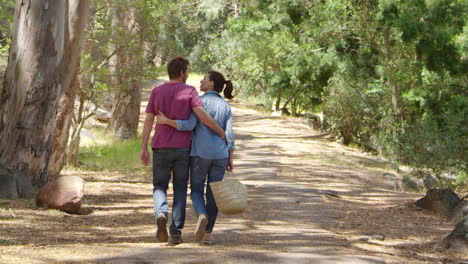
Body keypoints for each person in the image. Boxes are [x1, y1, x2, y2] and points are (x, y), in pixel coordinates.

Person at [141, 57, 226, 245]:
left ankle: (161, 213)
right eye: (187, 71)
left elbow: (148, 120)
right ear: (181, 73)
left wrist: (143, 147)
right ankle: (176, 232)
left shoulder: (156, 91)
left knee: (159, 186)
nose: (188, 75)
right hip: (183, 148)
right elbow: (202, 115)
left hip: (160, 146)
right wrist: (219, 130)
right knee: (180, 189)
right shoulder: (189, 91)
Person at [156, 70, 235, 244]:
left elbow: (189, 124)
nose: (201, 80)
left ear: (211, 84)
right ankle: (207, 233)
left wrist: (167, 121)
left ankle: (201, 214)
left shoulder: (199, 102)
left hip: (200, 154)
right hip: (220, 155)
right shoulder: (225, 106)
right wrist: (230, 157)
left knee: (197, 190)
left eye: (205, 79)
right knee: (214, 193)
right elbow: (229, 135)